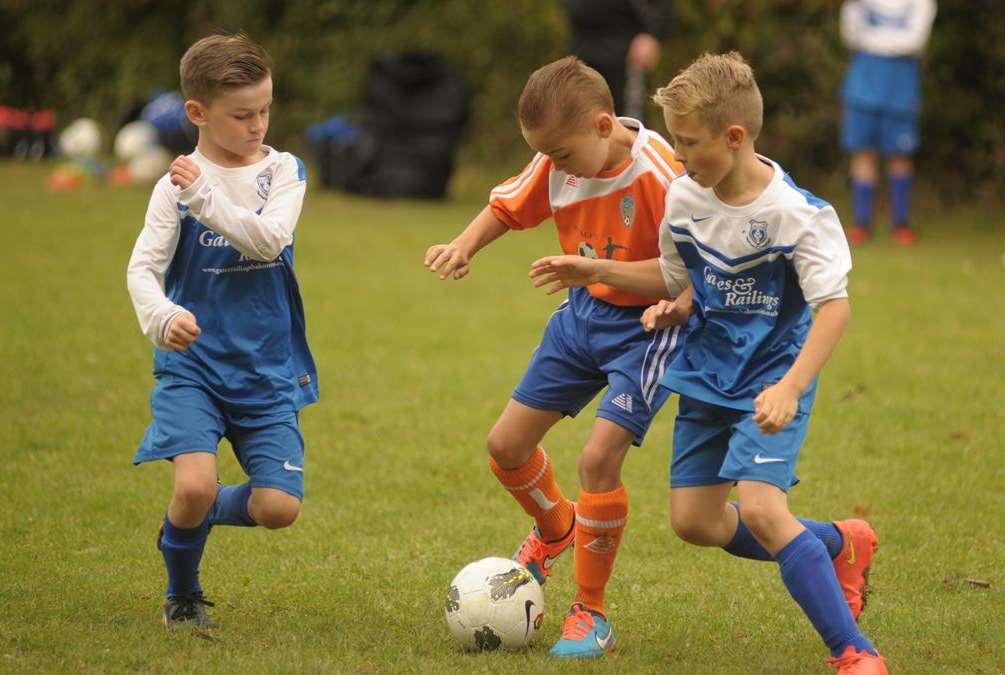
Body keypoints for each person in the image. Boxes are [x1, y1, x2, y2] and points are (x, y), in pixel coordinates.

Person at [529, 52, 887, 673]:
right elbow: (675, 276)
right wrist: (607, 275)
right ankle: (839, 542)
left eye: (689, 143)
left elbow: (834, 309)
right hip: (706, 373)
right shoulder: (686, 200)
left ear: (735, 137)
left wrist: (791, 387)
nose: (679, 156)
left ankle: (854, 652)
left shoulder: (797, 214)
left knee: (762, 510)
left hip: (774, 378)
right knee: (695, 523)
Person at [424, 56, 689, 658]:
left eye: (562, 155)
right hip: (582, 318)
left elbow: (687, 278)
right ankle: (555, 528)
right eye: (545, 155)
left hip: (650, 328)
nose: (553, 166)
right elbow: (507, 206)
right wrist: (463, 245)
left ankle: (590, 614)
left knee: (598, 461)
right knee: (506, 448)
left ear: (603, 126)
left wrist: (597, 268)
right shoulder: (558, 157)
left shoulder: (664, 176)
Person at [126, 33, 317, 629]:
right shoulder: (171, 189)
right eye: (241, 115)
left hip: (266, 369)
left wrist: (203, 197)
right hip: (196, 368)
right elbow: (142, 271)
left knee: (279, 509)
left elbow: (268, 240)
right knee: (194, 484)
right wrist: (163, 317)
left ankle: (195, 517)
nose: (257, 125)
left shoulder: (285, 170)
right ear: (197, 113)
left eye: (264, 109)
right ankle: (183, 595)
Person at [840, 0, 937, 246]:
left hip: (901, 89)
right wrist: (892, 39)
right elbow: (851, 35)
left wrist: (874, 39)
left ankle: (900, 224)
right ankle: (862, 224)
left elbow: (915, 41)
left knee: (900, 156)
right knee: (863, 154)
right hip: (862, 87)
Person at [565, 0, 674, 117]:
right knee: (581, 116)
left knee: (627, 120)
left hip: (625, 52)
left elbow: (663, 6)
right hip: (582, 48)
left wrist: (652, 35)